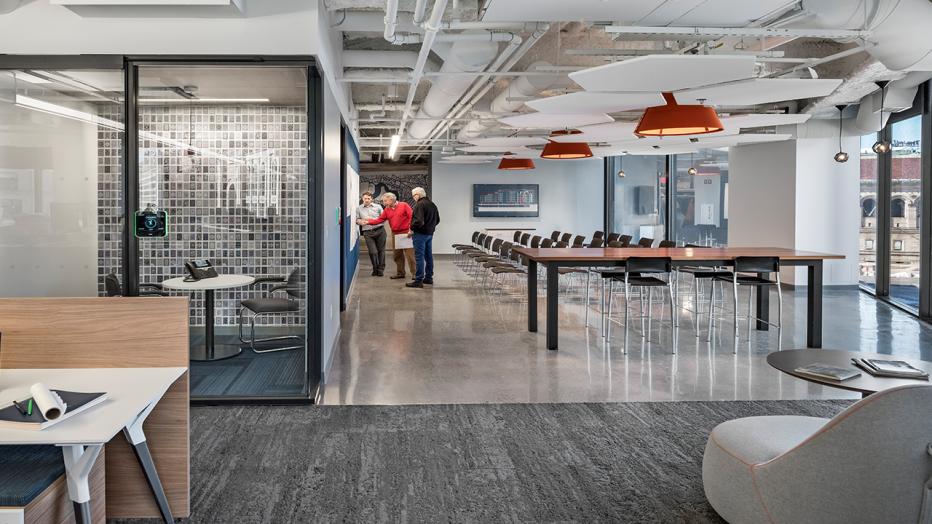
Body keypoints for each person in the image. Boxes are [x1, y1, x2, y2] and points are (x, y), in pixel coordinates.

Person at [358, 192, 415, 279]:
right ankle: (400, 273)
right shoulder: (387, 209)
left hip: (406, 233)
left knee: (410, 256)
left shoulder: (404, 205)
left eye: (385, 201)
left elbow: (412, 217)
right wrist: (368, 222)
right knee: (397, 255)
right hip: (395, 234)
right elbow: (380, 219)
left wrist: (411, 229)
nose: (384, 203)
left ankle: (415, 274)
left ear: (391, 200)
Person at [406, 186, 440, 288]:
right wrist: (430, 227)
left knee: (419, 257)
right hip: (429, 234)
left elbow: (419, 221)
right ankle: (429, 278)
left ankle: (418, 280)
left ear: (418, 195)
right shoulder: (432, 204)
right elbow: (437, 220)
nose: (413, 198)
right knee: (428, 256)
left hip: (420, 235)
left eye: (413, 196)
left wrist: (412, 228)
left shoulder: (419, 205)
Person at [355, 191, 385, 276]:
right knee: (373, 252)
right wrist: (360, 222)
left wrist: (374, 222)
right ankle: (375, 268)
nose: (367, 200)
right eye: (365, 198)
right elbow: (357, 219)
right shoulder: (359, 208)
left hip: (380, 231)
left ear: (372, 199)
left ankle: (380, 270)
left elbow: (383, 218)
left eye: (368, 198)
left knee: (381, 251)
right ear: (362, 199)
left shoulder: (378, 207)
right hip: (368, 232)